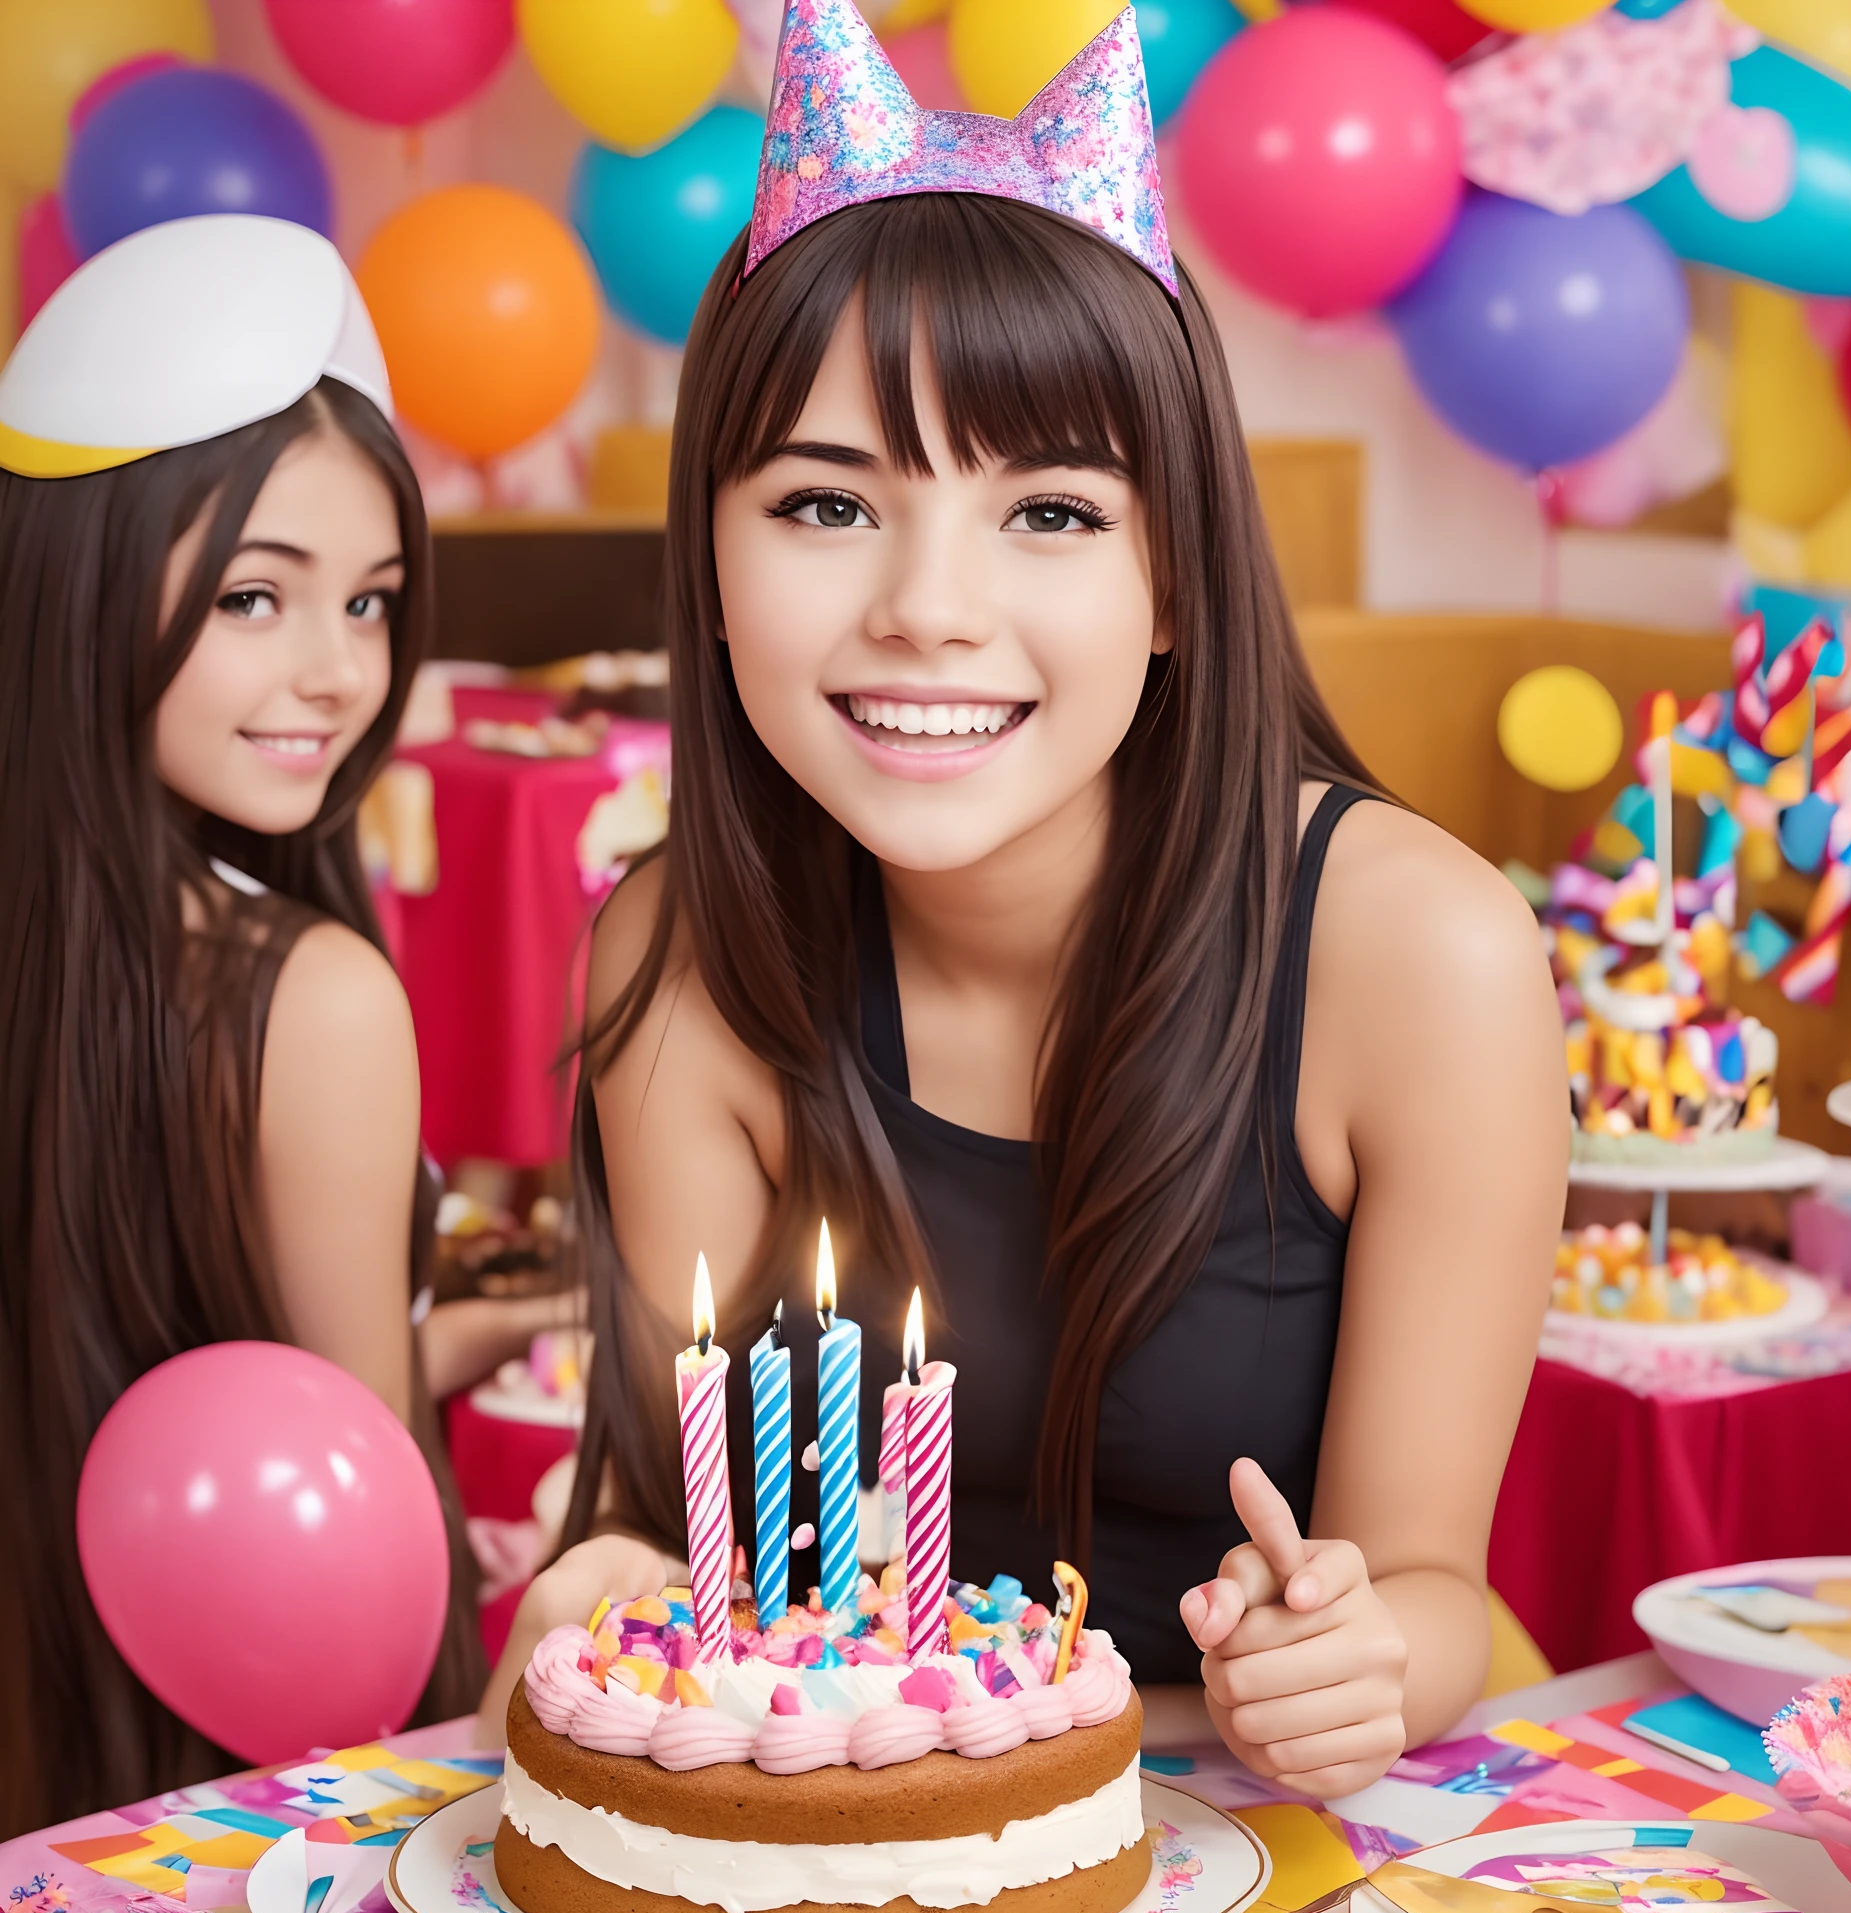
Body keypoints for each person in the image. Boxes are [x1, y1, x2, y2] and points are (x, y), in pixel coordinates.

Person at [480, 0, 1565, 1796]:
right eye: (826, 506)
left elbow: (1431, 1585)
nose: (926, 605)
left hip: (1236, 1838)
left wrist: (1355, 1659)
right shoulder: (681, 956)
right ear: (715, 564)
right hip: (837, 1834)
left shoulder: (1415, 957)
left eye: (1048, 513)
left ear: (1170, 579)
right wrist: (607, 1578)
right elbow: (689, 1552)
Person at [0, 215, 556, 1836]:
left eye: (374, 604)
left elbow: (152, 1357)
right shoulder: (301, 998)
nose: (338, 675)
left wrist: (487, 1323)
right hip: (229, 1833)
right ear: (85, 581)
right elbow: (350, 1514)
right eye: (257, 598)